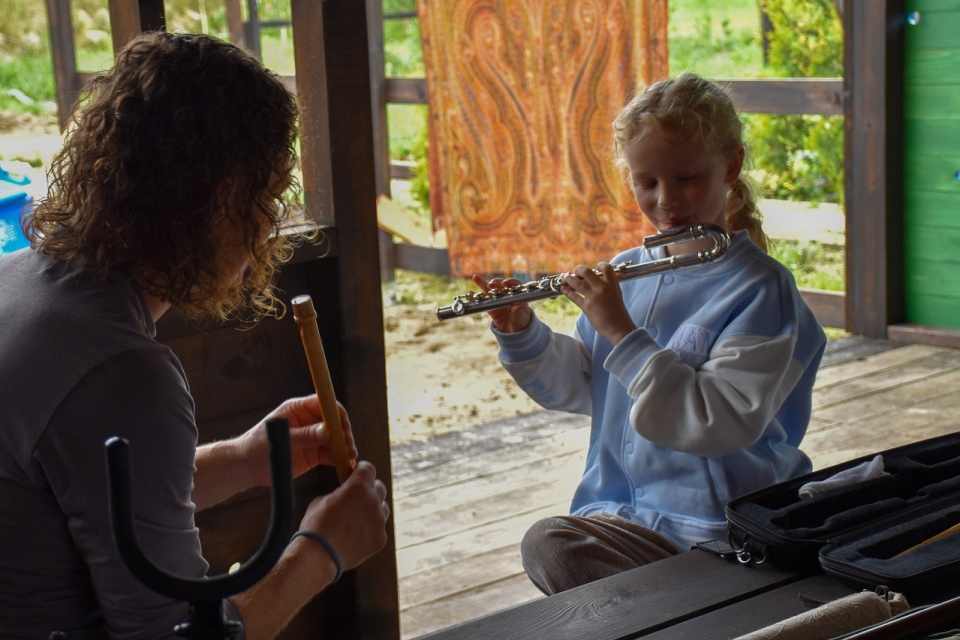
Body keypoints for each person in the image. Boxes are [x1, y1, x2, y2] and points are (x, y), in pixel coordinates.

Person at [0, 32, 390, 639]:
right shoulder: (120, 370)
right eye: (269, 196)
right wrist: (321, 553)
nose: (271, 223)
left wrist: (244, 460)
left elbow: (92, 497)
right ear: (221, 198)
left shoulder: (17, 279)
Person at [473, 72, 827, 595]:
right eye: (647, 182)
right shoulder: (626, 272)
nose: (667, 200)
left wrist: (622, 331)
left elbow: (718, 421)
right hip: (626, 517)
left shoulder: (760, 289)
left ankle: (687, 609)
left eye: (687, 178)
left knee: (559, 555)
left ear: (731, 165)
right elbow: (586, 385)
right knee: (550, 545)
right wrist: (522, 331)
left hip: (722, 529)